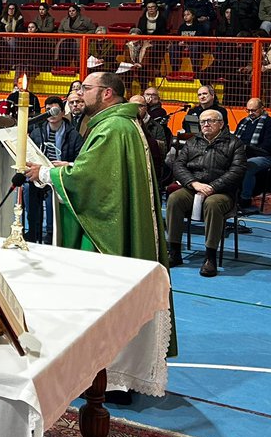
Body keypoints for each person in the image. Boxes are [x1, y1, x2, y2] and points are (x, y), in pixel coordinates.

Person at [25, 73, 173, 351]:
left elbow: (89, 180)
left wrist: (45, 172)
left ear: (106, 93)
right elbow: (104, 173)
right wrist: (67, 166)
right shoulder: (119, 123)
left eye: (86, 88)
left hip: (108, 229)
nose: (79, 94)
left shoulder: (112, 128)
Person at [165, 110, 246, 277]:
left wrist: (213, 187)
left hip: (222, 192)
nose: (205, 125)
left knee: (213, 204)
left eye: (210, 121)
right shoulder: (193, 142)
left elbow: (237, 171)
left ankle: (210, 257)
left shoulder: (235, 143)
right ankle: (174, 252)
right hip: (194, 188)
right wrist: (193, 183)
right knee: (174, 199)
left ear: (221, 124)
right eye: (202, 122)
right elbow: (178, 165)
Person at [25, 97, 83, 244]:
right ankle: (33, 230)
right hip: (38, 174)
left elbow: (80, 160)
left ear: (63, 112)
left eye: (55, 110)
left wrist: (66, 164)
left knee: (53, 195)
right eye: (48, 110)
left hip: (58, 176)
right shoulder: (37, 132)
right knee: (27, 188)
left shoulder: (74, 135)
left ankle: (51, 233)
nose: (51, 113)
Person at [233, 99, 271, 208]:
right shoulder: (243, 122)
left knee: (248, 166)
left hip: (265, 157)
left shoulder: (270, 123)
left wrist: (250, 150)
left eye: (254, 110)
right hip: (243, 154)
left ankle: (245, 199)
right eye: (248, 110)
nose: (250, 113)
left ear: (262, 108)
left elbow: (269, 146)